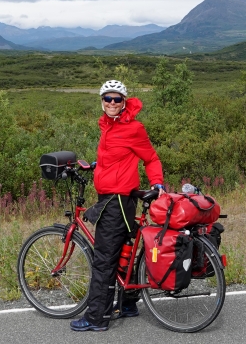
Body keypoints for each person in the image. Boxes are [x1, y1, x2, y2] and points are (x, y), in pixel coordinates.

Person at [71, 80, 165, 332]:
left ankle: (96, 318)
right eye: (107, 99)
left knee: (104, 259)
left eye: (116, 99)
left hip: (117, 202)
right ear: (101, 101)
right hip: (113, 199)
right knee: (126, 250)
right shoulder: (108, 127)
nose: (111, 103)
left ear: (124, 102)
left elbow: (151, 157)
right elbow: (115, 157)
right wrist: (95, 166)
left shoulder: (133, 128)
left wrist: (157, 182)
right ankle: (127, 304)